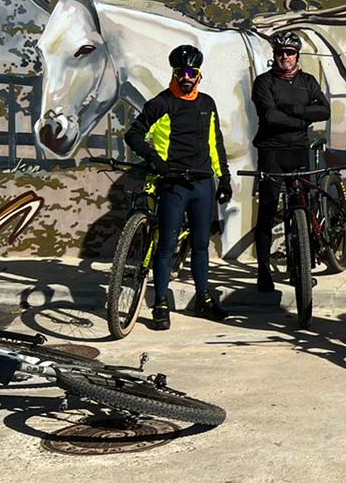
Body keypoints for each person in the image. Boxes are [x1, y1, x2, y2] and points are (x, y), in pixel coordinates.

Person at [125, 44, 233, 329]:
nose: (186, 77)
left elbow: (215, 142)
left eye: (191, 72)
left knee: (200, 246)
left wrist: (224, 179)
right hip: (173, 183)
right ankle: (160, 304)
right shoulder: (161, 103)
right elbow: (133, 134)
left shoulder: (207, 103)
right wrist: (153, 159)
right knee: (166, 246)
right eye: (180, 72)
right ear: (173, 73)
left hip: (202, 184)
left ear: (199, 75)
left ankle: (203, 299)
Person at [250, 30, 331, 294]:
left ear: (297, 55)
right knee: (269, 208)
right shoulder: (263, 82)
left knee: (302, 206)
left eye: (290, 52)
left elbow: (325, 110)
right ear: (274, 55)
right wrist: (303, 120)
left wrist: (296, 111)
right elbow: (269, 115)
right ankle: (263, 270)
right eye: (280, 52)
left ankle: (301, 266)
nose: (285, 57)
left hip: (299, 150)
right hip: (271, 150)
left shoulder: (307, 81)